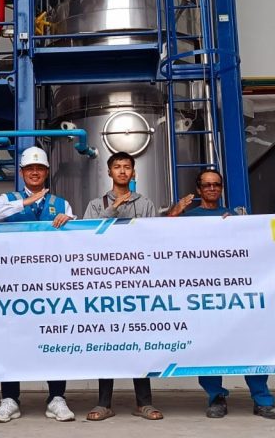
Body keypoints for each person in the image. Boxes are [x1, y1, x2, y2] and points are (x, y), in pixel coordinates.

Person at [166, 169, 275, 420]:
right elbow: (161, 238)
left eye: (216, 185)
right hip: (203, 294)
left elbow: (254, 247)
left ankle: (262, 399)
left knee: (250, 344)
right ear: (198, 189)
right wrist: (175, 213)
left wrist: (238, 227)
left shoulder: (237, 216)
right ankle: (216, 397)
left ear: (221, 188)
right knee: (208, 346)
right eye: (207, 185)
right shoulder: (188, 217)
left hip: (235, 293)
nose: (212, 188)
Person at [0, 146, 76, 423]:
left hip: (51, 284)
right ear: (22, 173)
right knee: (11, 339)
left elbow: (77, 238)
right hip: (14, 284)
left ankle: (56, 397)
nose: (35, 172)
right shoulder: (7, 200)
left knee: (54, 337)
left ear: (46, 172)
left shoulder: (61, 204)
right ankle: (9, 398)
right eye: (30, 169)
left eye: (40, 169)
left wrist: (70, 221)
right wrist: (25, 202)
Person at [82, 151, 162, 421]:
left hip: (137, 282)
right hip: (105, 283)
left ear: (134, 172)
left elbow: (153, 238)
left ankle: (144, 403)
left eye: (127, 167)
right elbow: (87, 238)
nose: (123, 171)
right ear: (109, 172)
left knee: (139, 341)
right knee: (107, 342)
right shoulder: (96, 205)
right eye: (117, 167)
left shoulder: (146, 203)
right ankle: (103, 403)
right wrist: (113, 208)